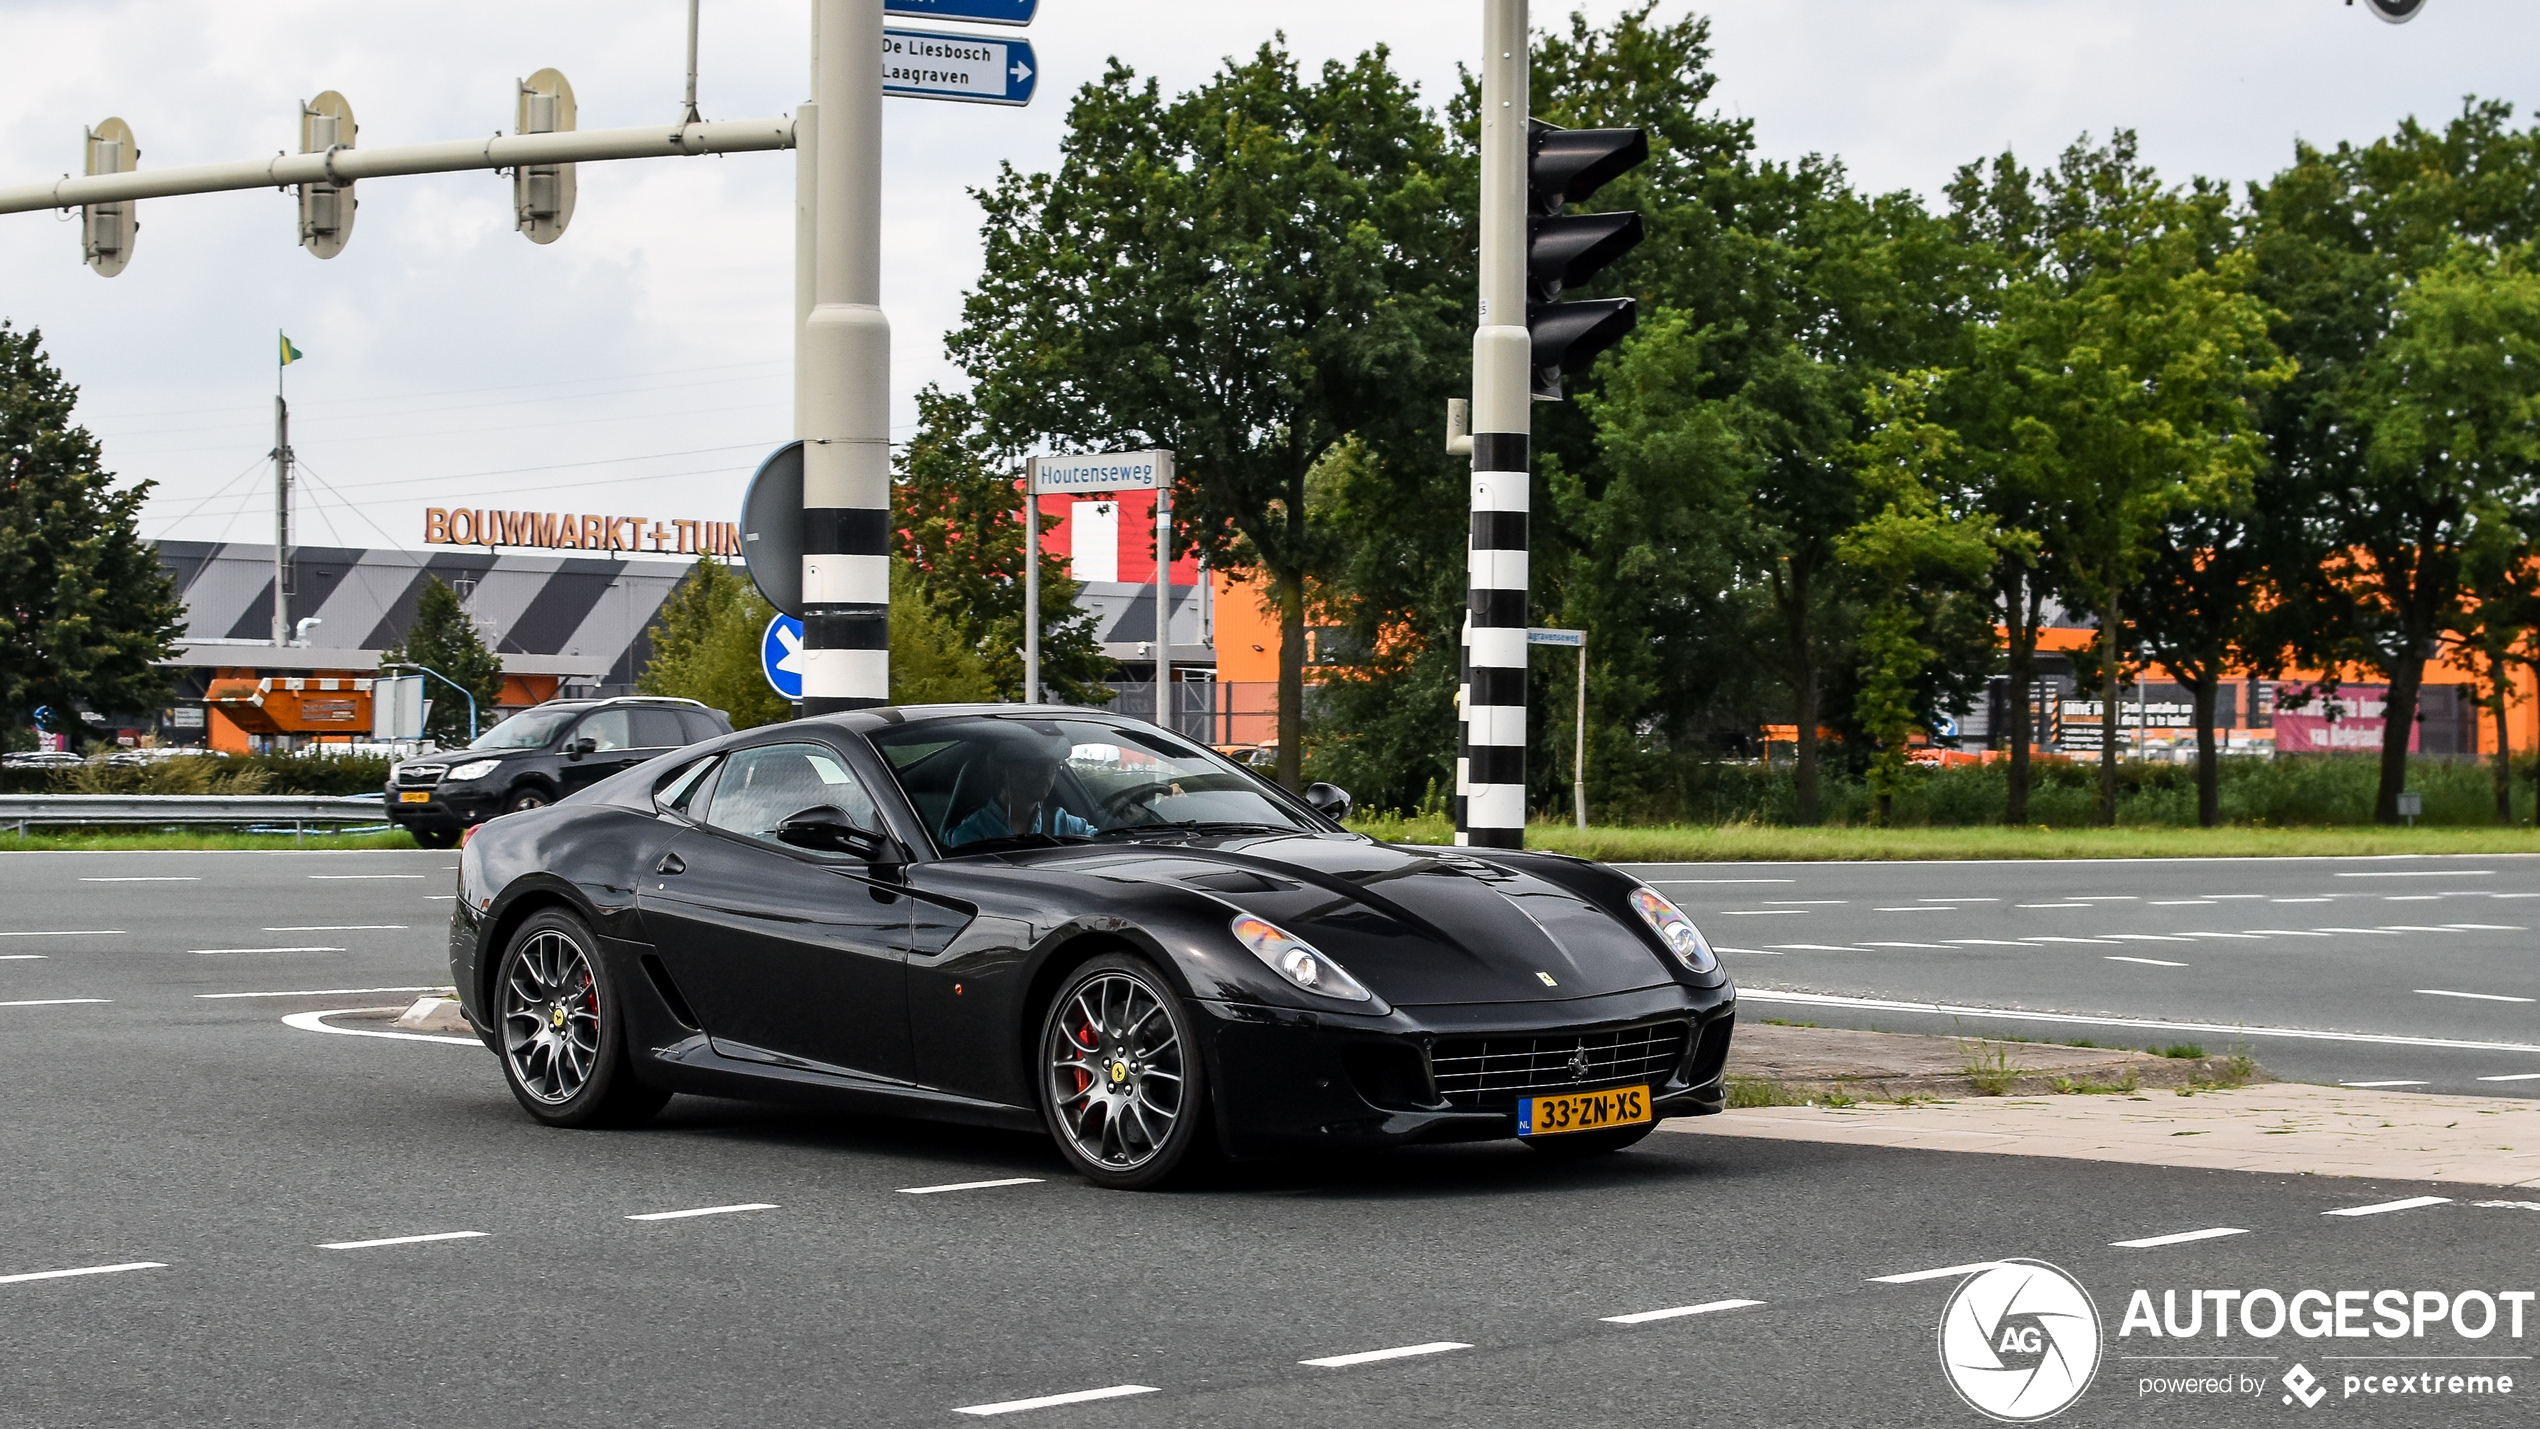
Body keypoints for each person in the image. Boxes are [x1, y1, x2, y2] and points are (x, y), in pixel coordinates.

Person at [944, 731, 1098, 847]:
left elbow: (1105, 844)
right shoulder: (970, 835)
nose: (1047, 774)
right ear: (1005, 771)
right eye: (1036, 766)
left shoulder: (1066, 825)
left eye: (1054, 767)